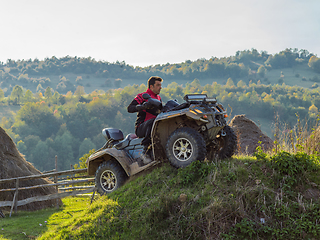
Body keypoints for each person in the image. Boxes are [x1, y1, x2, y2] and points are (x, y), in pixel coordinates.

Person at [127, 76, 163, 159]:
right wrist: (141, 107)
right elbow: (129, 108)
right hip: (141, 127)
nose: (160, 87)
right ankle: (145, 149)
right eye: (158, 85)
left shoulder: (158, 98)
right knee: (153, 121)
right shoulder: (142, 96)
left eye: (160, 85)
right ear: (151, 86)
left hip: (154, 125)